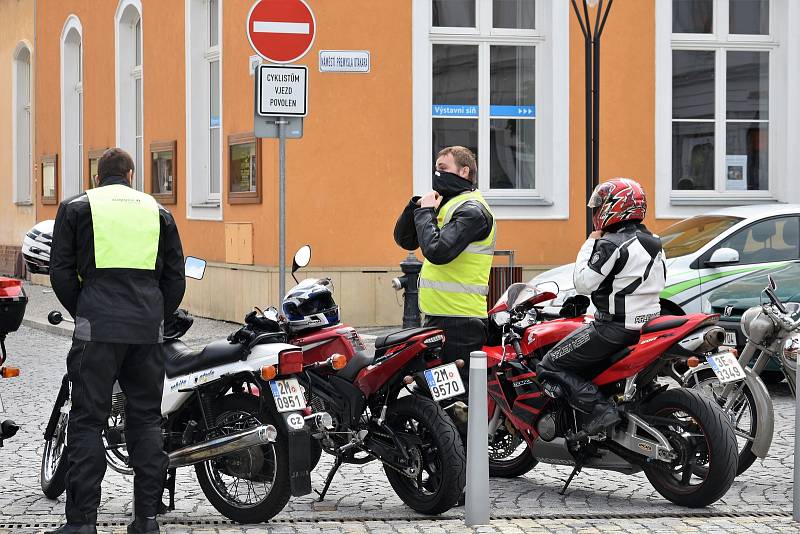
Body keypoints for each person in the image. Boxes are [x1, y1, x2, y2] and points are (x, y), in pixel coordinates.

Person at [47, 148, 186, 534]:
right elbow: (175, 279)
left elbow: (59, 272)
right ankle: (146, 520)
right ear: (130, 174)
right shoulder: (158, 212)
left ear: (97, 177)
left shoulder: (76, 208)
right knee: (145, 421)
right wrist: (154, 316)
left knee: (88, 421)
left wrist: (85, 310)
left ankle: (83, 524)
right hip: (146, 331)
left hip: (97, 329)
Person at [537, 178, 666, 439]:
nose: (595, 214)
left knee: (549, 365)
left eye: (598, 207)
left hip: (613, 328)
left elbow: (583, 283)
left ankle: (599, 409)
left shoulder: (612, 243)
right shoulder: (655, 241)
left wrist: (589, 243)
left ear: (615, 207)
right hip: (648, 325)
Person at [393, 146, 496, 385]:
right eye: (435, 169)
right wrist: (415, 208)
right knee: (436, 394)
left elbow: (438, 251)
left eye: (443, 168)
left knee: (456, 398)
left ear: (464, 171)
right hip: (440, 315)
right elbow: (405, 239)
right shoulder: (450, 204)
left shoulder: (473, 210)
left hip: (461, 320)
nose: (437, 175)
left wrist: (427, 212)